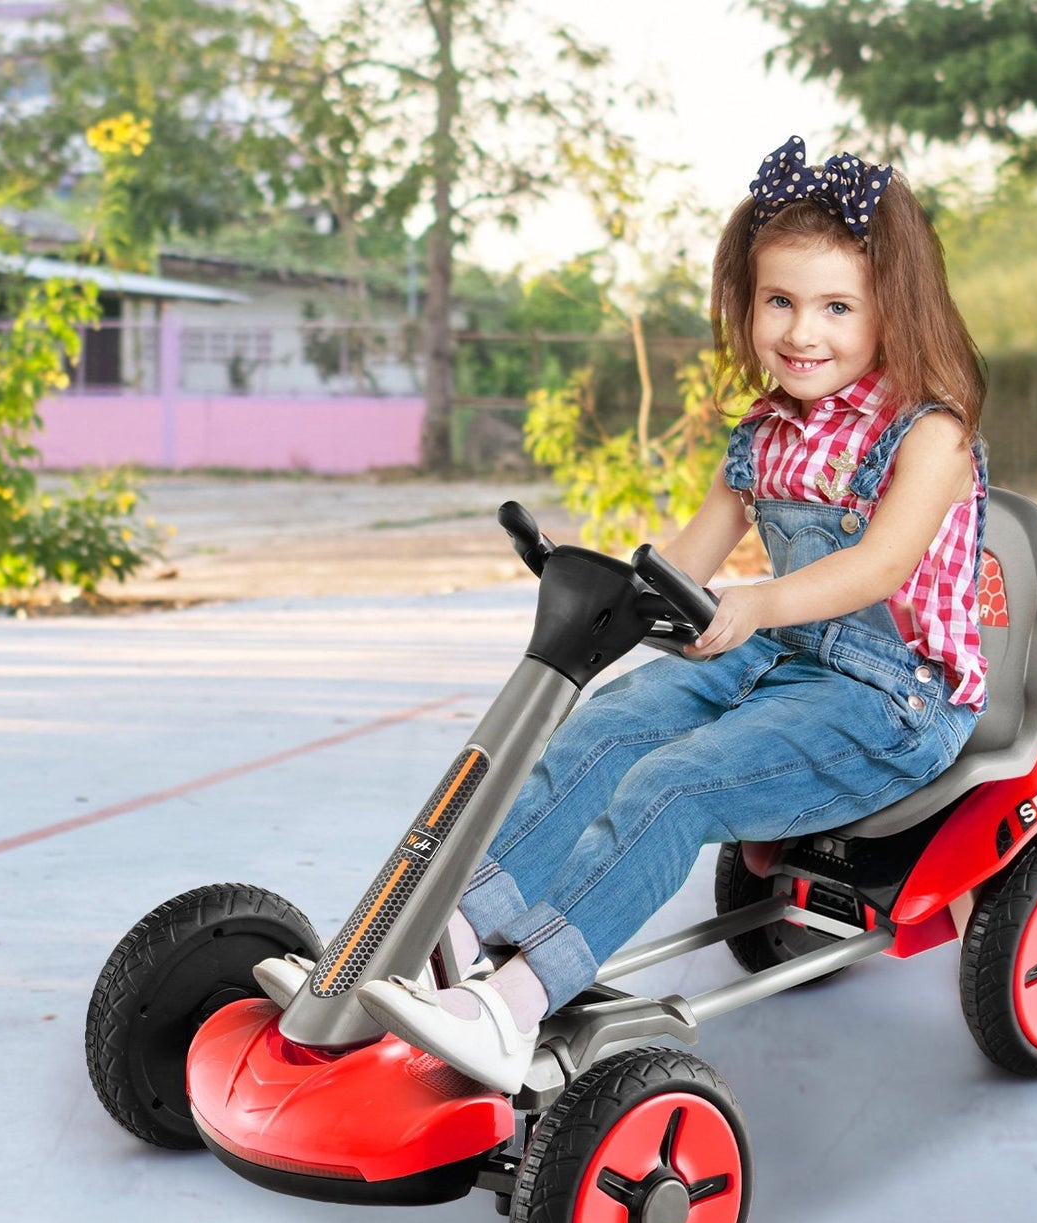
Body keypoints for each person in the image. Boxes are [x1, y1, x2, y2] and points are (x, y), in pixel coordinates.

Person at [357, 134, 990, 1092]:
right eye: (778, 301)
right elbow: (691, 550)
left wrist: (759, 601)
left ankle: (516, 1003)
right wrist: (610, 591)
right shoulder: (767, 430)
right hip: (775, 657)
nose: (799, 332)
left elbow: (878, 564)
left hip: (889, 696)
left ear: (886, 312)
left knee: (676, 783)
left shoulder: (929, 432)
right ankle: (455, 925)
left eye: (834, 307)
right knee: (610, 724)